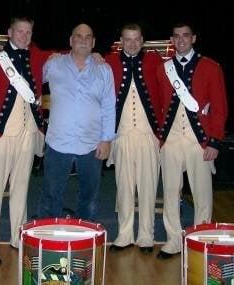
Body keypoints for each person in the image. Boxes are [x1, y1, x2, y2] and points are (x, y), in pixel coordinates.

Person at [155, 22, 228, 259]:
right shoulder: (163, 68)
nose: (181, 40)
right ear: (172, 40)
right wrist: (160, 137)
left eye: (186, 36)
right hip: (172, 139)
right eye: (176, 36)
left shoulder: (210, 67)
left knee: (202, 194)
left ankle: (201, 241)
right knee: (170, 193)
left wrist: (215, 141)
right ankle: (174, 240)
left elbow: (219, 108)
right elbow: (158, 105)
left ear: (194, 38)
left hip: (200, 140)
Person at [0, 16, 52, 250]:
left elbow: (64, 54)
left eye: (28, 32)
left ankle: (17, 237)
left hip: (28, 131)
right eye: (19, 31)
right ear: (9, 32)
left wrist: (92, 55)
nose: (24, 36)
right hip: (1, 133)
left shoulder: (36, 56)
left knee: (21, 186)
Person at [37, 23, 116, 221]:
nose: (83, 40)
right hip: (57, 143)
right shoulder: (53, 64)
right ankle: (47, 241)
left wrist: (107, 140)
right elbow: (31, 75)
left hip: (92, 144)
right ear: (71, 41)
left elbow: (108, 106)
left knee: (88, 199)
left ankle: (85, 240)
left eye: (87, 37)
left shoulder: (104, 70)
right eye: (78, 36)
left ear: (94, 42)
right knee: (51, 197)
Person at [105, 23, 162, 253]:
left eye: (136, 39)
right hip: (122, 135)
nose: (132, 43)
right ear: (121, 40)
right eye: (128, 39)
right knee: (124, 188)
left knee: (148, 187)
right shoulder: (108, 62)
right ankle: (124, 234)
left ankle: (147, 235)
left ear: (142, 40)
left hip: (149, 135)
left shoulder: (156, 62)